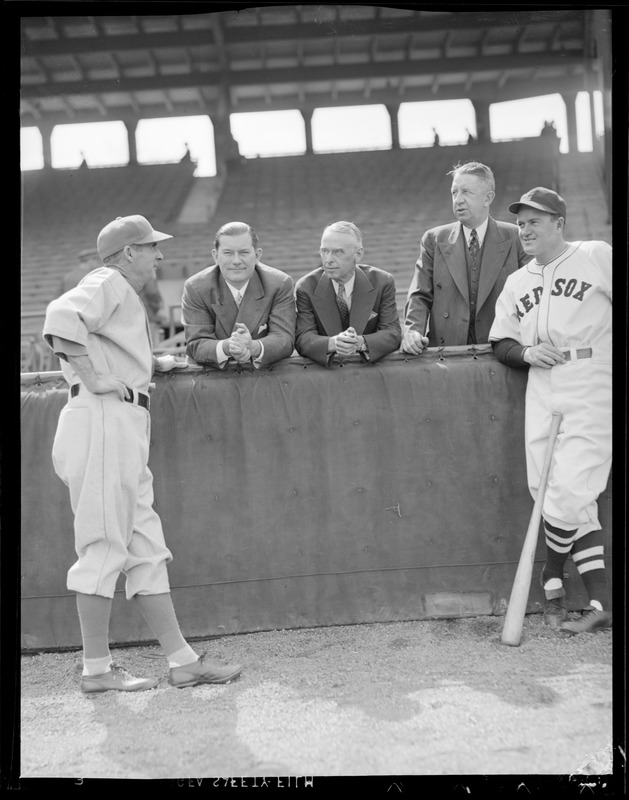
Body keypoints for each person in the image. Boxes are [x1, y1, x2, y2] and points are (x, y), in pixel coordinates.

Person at [43, 214, 244, 692]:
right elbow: (61, 318)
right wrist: (93, 377)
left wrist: (150, 362)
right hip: (102, 417)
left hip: (122, 420)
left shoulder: (120, 292)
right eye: (151, 246)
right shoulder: (107, 279)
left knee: (146, 548)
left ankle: (182, 661)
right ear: (128, 252)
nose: (159, 255)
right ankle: (96, 670)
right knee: (103, 545)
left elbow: (102, 341)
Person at [489, 187, 612, 634]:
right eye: (521, 223)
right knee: (546, 490)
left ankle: (550, 576)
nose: (525, 230)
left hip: (591, 378)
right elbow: (500, 340)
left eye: (535, 221)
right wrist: (524, 354)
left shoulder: (596, 254)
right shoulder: (518, 280)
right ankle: (601, 601)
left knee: (570, 489)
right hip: (541, 385)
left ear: (559, 223)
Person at [401, 161, 530, 354]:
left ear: (488, 198)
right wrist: (413, 331)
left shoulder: (515, 237)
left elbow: (531, 295)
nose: (458, 200)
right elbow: (419, 295)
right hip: (447, 353)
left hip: (501, 350)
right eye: (454, 192)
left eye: (466, 192)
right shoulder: (434, 239)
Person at [181, 221, 296, 369]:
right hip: (211, 379)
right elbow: (196, 344)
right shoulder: (195, 287)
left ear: (257, 255)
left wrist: (253, 347)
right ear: (215, 256)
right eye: (228, 253)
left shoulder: (280, 283)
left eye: (244, 252)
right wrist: (229, 346)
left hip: (264, 376)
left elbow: (284, 340)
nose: (236, 261)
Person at [294, 221, 401, 366]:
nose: (328, 259)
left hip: (369, 369)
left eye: (338, 252)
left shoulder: (382, 282)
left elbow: (392, 333)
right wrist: (332, 343)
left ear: (358, 254)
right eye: (324, 251)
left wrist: (359, 343)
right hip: (328, 374)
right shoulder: (306, 287)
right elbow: (303, 338)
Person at [58, 247, 169, 344]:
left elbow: (58, 300)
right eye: (96, 260)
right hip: (138, 317)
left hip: (80, 325)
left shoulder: (68, 277)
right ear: (91, 260)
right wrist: (157, 311)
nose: (98, 264)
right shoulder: (98, 275)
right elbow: (152, 293)